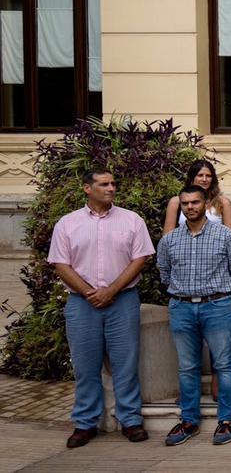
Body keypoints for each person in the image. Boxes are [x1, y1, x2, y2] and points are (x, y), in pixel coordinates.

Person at [50, 169, 154, 448]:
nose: (111, 188)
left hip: (123, 301)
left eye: (113, 184)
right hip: (81, 305)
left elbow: (140, 258)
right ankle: (85, 424)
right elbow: (61, 264)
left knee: (126, 364)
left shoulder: (132, 220)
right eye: (104, 184)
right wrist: (89, 292)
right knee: (85, 367)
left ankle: (131, 420)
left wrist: (111, 291)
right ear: (87, 188)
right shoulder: (67, 223)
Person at [155, 184, 231, 447]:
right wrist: (180, 294)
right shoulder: (170, 240)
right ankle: (188, 421)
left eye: (195, 202)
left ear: (205, 202)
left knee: (224, 363)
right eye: (185, 204)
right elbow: (163, 271)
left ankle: (227, 419)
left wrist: (225, 297)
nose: (190, 208)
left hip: (217, 306)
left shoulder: (225, 236)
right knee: (187, 367)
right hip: (181, 307)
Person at [161, 159, 231, 234]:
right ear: (192, 178)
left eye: (208, 176)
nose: (204, 179)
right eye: (200, 175)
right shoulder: (176, 202)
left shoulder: (223, 202)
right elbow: (167, 238)